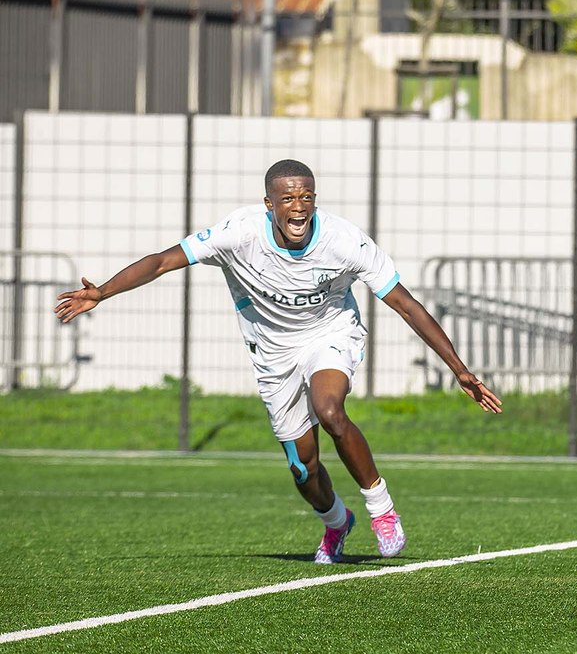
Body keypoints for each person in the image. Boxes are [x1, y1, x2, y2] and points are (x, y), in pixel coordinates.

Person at [55, 159, 502, 565]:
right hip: (273, 353)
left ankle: (381, 510)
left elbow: (406, 305)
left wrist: (459, 369)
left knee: (330, 410)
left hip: (331, 334)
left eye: (306, 196)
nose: (298, 206)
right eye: (287, 197)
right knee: (303, 468)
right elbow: (162, 262)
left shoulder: (345, 241)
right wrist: (102, 292)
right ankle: (336, 522)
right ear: (269, 203)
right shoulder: (238, 233)